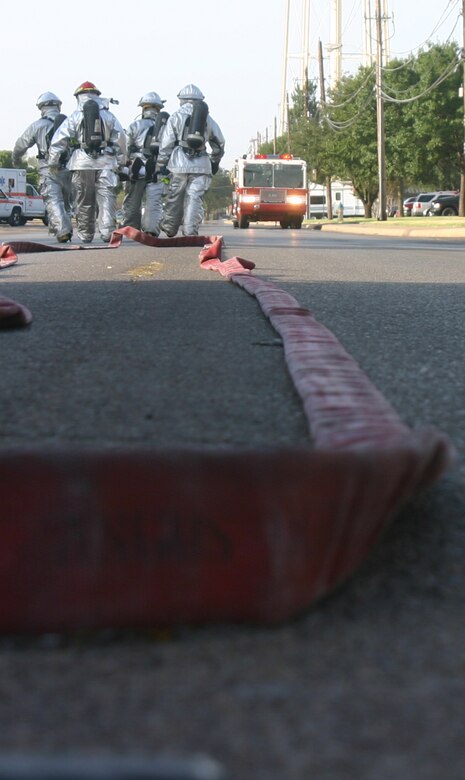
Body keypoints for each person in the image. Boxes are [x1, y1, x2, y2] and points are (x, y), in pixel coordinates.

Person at [48, 81, 126, 243]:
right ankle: (108, 233)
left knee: (84, 201)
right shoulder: (109, 116)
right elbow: (121, 140)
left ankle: (85, 235)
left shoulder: (75, 117)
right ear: (98, 96)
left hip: (81, 163)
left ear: (78, 97)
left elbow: (59, 140)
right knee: (106, 198)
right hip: (106, 162)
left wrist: (53, 162)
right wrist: (121, 161)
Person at [157, 84, 225, 237]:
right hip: (201, 164)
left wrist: (162, 163)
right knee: (195, 198)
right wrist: (215, 161)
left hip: (178, 164)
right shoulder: (207, 118)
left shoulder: (175, 117)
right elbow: (219, 142)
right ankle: (190, 230)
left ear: (181, 100)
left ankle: (169, 226)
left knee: (175, 196)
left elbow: (166, 143)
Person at [13, 92, 73, 243]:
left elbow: (21, 144)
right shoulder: (70, 122)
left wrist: (16, 159)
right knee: (65, 203)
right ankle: (60, 228)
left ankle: (62, 230)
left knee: (53, 200)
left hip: (48, 169)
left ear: (41, 107)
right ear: (58, 106)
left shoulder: (38, 125)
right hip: (69, 168)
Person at [120, 91, 169, 235]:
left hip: (137, 168)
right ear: (159, 109)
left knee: (132, 201)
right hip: (157, 169)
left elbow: (125, 147)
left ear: (143, 108)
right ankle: (151, 230)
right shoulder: (167, 128)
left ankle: (130, 229)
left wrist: (124, 165)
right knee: (154, 202)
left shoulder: (134, 126)